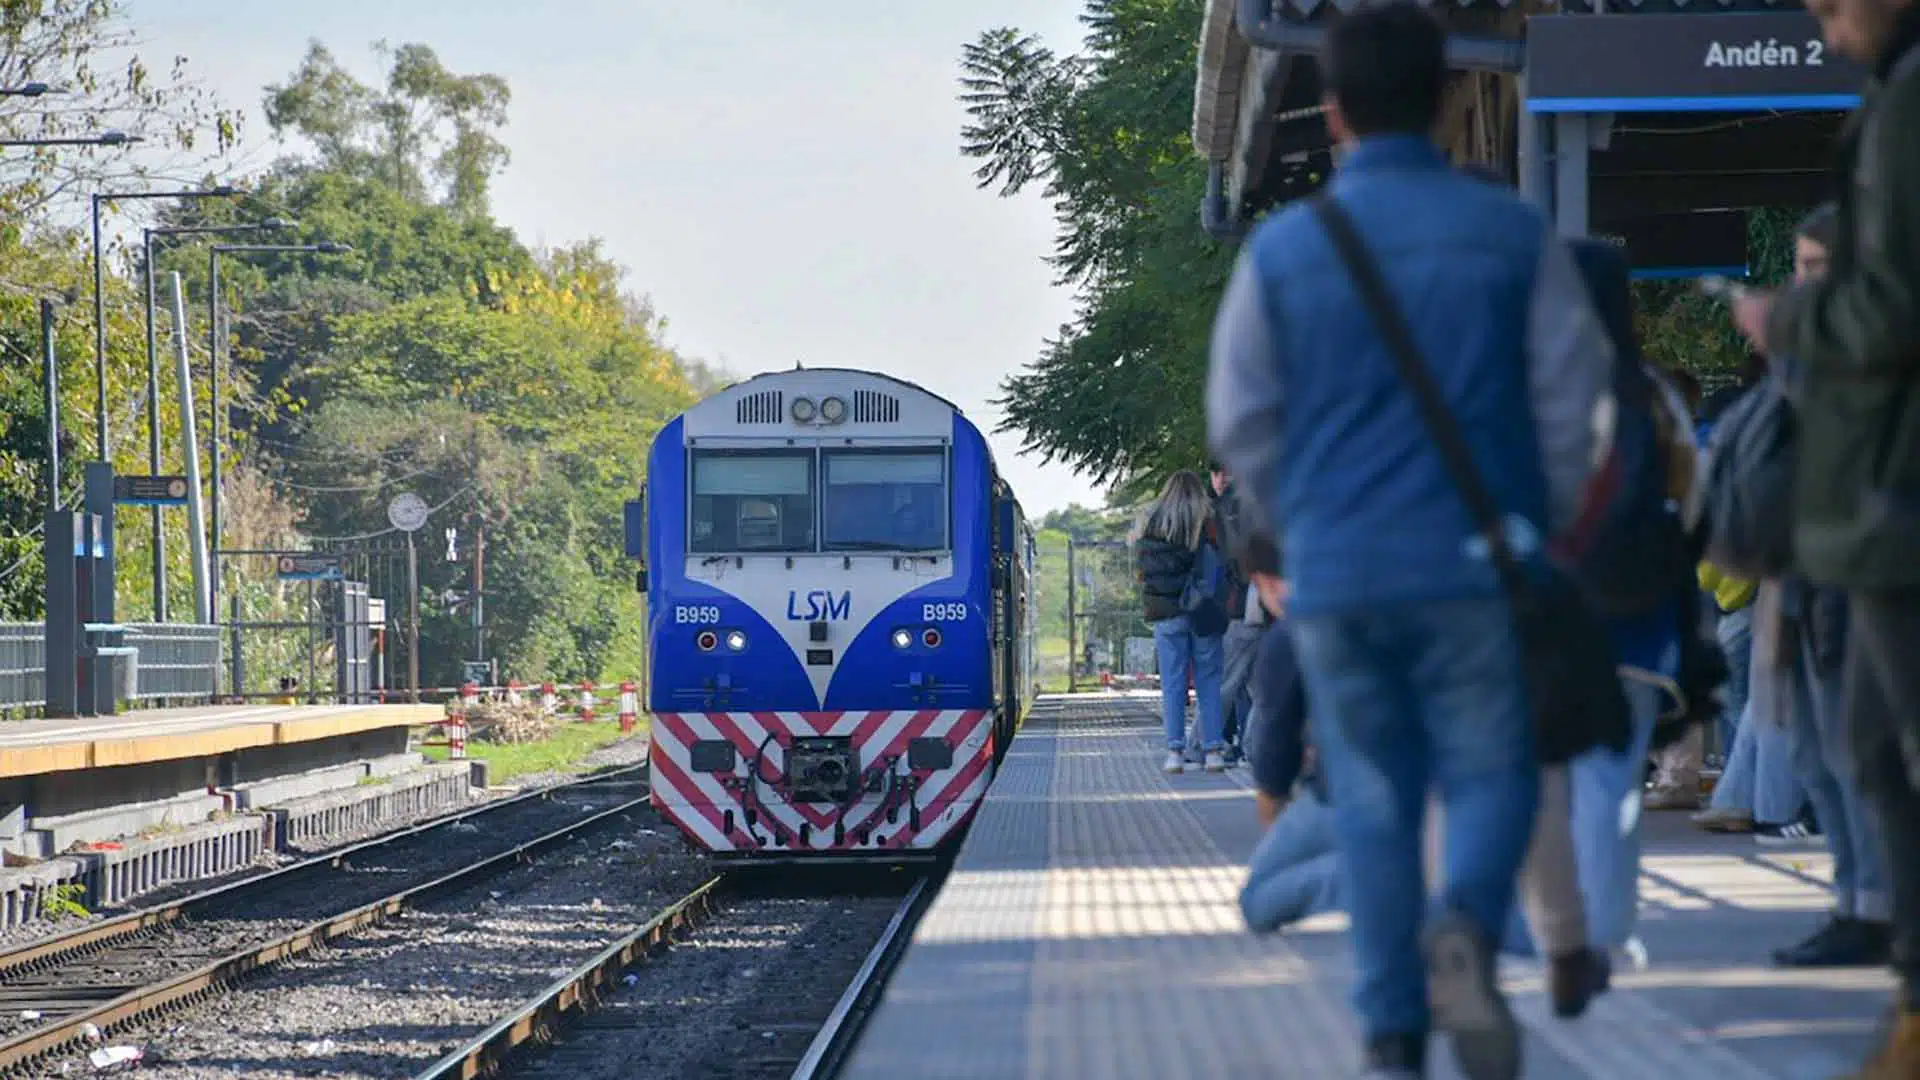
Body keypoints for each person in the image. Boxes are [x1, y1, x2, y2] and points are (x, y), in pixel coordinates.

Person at [1205, 5, 1614, 1077]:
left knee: (1373, 795)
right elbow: (1575, 397)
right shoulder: (1510, 233)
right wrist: (1538, 518)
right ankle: (1464, 926)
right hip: (1479, 564)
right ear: (1442, 99)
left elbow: (1241, 419)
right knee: (1495, 772)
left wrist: (1311, 519)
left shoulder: (1287, 249)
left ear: (1335, 111)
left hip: (1343, 577)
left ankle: (1392, 1029)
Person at [1729, 1, 1920, 1070]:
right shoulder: (1894, 93)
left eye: (1835, 4)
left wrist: (1789, 318)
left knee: (1886, 747)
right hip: (1866, 515)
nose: (1822, 21)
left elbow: (1890, 307)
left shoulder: (1907, 101)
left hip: (1890, 501)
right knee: (1865, 747)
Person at [1761, 204, 1894, 969]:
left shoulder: (1867, 350)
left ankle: (1874, 907)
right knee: (1812, 754)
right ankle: (1850, 899)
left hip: (1852, 575)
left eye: (1817, 268)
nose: (1802, 284)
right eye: (1798, 268)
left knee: (1851, 754)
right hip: (1802, 576)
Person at [1131, 469, 1230, 774]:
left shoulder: (1150, 523)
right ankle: (1213, 751)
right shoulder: (1208, 519)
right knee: (1209, 681)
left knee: (1173, 684)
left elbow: (1144, 572)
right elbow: (1223, 561)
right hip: (1204, 611)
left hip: (1167, 613)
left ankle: (1175, 752)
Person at [1211, 462, 1261, 764]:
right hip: (1256, 604)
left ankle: (1204, 743)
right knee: (1256, 687)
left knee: (1230, 682)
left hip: (1235, 606)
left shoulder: (1222, 510)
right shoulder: (1255, 504)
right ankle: (1249, 747)